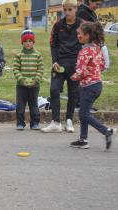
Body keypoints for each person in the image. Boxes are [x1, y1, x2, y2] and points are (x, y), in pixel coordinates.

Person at [70, 22, 116, 150]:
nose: (78, 36)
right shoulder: (97, 48)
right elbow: (101, 66)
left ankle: (106, 131)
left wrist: (74, 76)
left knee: (83, 114)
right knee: (84, 112)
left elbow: (81, 71)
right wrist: (92, 72)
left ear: (88, 35)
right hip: (97, 85)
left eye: (80, 34)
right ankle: (83, 139)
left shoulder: (84, 51)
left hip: (88, 87)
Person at [41, 0, 82, 133]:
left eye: (70, 9)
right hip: (59, 63)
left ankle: (69, 121)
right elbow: (53, 43)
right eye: (65, 9)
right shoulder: (58, 25)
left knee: (73, 93)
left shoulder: (82, 25)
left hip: (75, 64)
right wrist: (54, 61)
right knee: (54, 90)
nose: (67, 12)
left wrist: (81, 62)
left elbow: (86, 43)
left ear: (76, 9)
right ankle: (56, 122)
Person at [13, 29, 43, 130]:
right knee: (20, 105)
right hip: (21, 86)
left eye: (30, 41)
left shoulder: (38, 55)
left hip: (34, 85)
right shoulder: (19, 55)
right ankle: (20, 123)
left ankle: (35, 123)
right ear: (22, 42)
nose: (28, 43)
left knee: (34, 105)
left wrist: (36, 79)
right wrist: (21, 79)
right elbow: (16, 69)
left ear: (33, 42)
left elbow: (40, 69)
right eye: (25, 41)